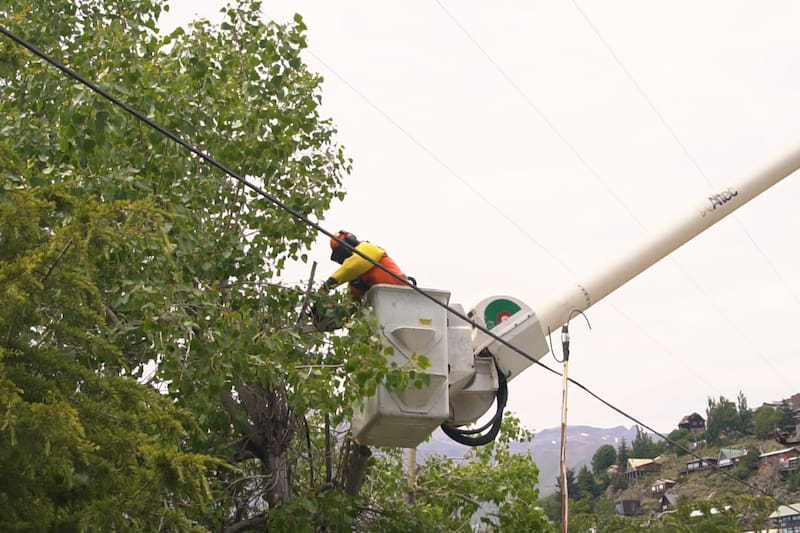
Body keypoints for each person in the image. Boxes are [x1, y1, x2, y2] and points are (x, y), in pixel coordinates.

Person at [321, 230, 410, 299]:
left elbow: (352, 265)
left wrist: (328, 284)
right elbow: (351, 304)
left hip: (401, 292)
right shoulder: (355, 277)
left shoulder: (366, 248)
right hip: (385, 303)